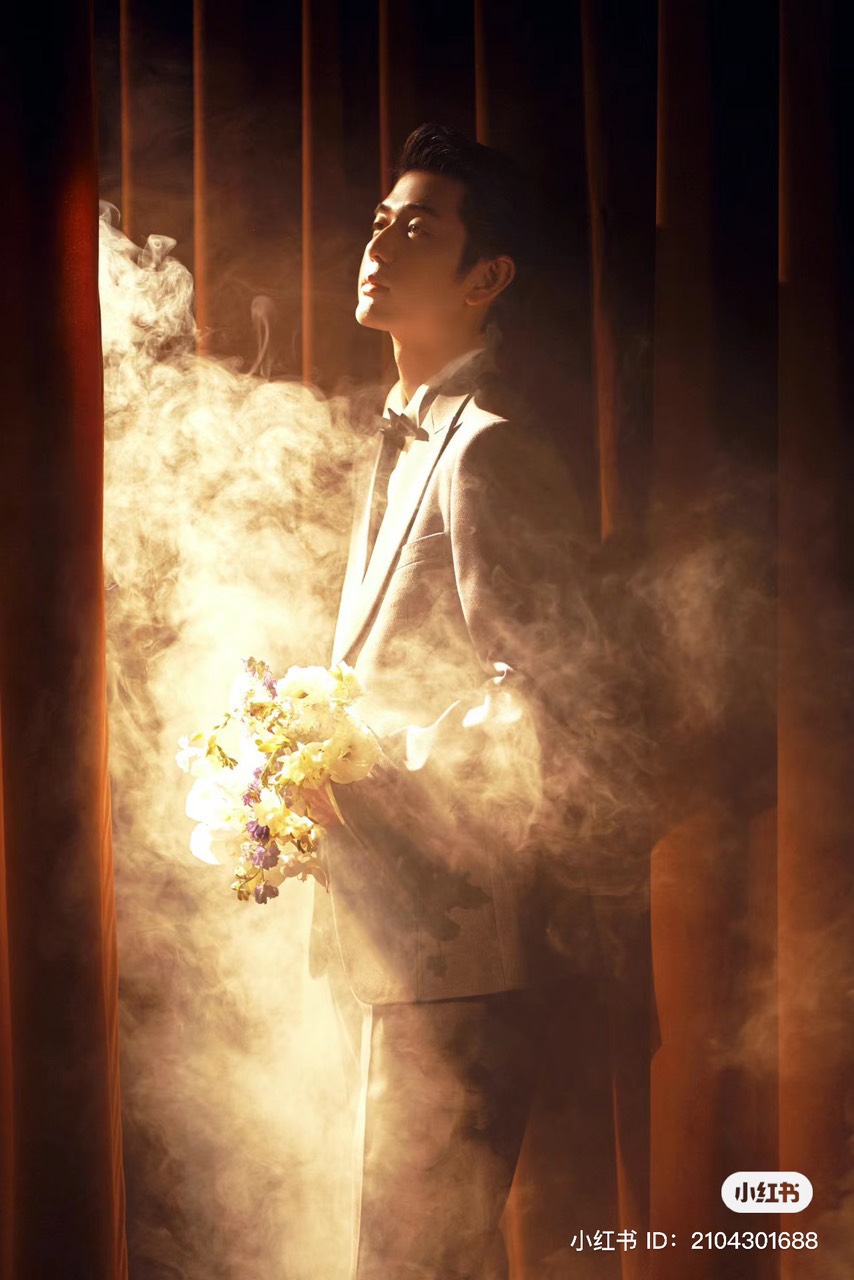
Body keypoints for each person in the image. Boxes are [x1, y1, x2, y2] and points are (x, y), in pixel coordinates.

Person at [306, 122, 628, 1280]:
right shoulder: (402, 439)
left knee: (413, 1259)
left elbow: (536, 700)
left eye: (417, 228)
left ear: (486, 275)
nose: (379, 244)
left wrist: (354, 772)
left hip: (459, 940)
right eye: (377, 222)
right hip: (383, 931)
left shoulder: (487, 450)